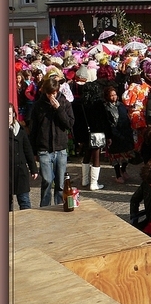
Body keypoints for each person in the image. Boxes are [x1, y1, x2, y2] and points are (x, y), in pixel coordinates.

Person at [29, 76, 75, 206]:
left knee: (60, 183)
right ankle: (45, 207)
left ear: (58, 90)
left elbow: (69, 124)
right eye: (49, 93)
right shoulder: (38, 105)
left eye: (54, 93)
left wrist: (59, 109)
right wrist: (34, 152)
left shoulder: (65, 103)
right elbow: (33, 129)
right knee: (47, 181)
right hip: (44, 149)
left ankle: (60, 205)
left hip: (60, 149)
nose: (52, 96)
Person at [70, 64, 110, 191]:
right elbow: (104, 121)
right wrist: (108, 135)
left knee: (87, 155)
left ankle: (84, 180)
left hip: (85, 133)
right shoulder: (98, 104)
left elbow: (77, 122)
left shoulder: (79, 103)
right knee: (96, 157)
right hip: (97, 132)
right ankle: (94, 183)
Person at [103, 86, 136, 184]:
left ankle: (124, 169)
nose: (114, 97)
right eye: (111, 95)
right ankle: (117, 174)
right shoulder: (106, 107)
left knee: (128, 154)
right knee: (115, 156)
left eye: (115, 95)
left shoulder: (121, 105)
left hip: (125, 131)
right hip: (114, 133)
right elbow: (107, 123)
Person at [9, 102, 38, 211]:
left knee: (25, 202)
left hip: (21, 172)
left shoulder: (20, 130)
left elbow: (28, 150)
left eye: (9, 114)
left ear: (13, 115)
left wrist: (33, 169)